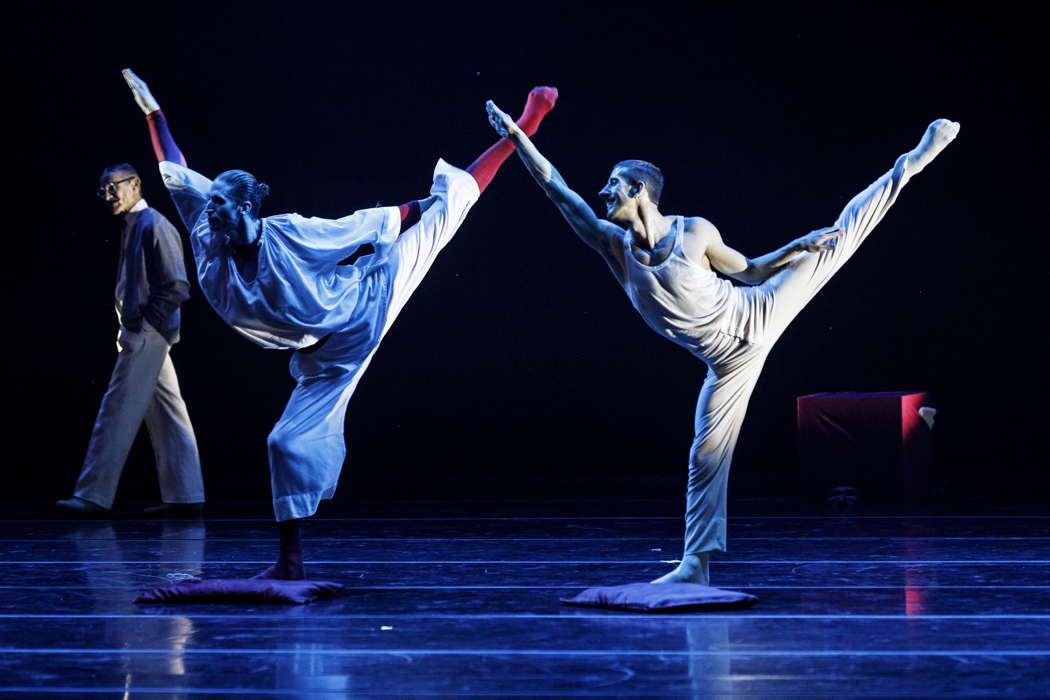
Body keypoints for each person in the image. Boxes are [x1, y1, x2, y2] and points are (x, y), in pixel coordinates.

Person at [487, 100, 958, 584]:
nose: (603, 191)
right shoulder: (613, 246)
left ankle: (914, 160)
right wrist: (518, 136)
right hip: (728, 363)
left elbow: (751, 270)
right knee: (705, 454)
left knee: (840, 235)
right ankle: (696, 565)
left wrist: (797, 247)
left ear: (639, 190)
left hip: (760, 309)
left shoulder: (694, 231)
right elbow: (558, 191)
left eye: (613, 184)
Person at [122, 69, 557, 579]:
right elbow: (175, 167)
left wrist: (423, 207)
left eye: (219, 202)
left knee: (447, 207)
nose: (208, 209)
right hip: (321, 360)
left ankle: (523, 127)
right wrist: (154, 112)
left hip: (366, 304)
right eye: (210, 200)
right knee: (283, 443)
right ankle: (289, 563)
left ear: (244, 206)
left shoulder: (292, 234)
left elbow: (371, 223)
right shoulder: (205, 231)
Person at [57, 164, 204, 517]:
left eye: (112, 188)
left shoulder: (154, 223)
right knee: (169, 413)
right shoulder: (135, 225)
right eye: (102, 191)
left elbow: (177, 285)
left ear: (135, 184)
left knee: (117, 410)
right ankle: (187, 498)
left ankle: (93, 495)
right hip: (144, 332)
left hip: (147, 335)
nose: (107, 196)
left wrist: (143, 325)